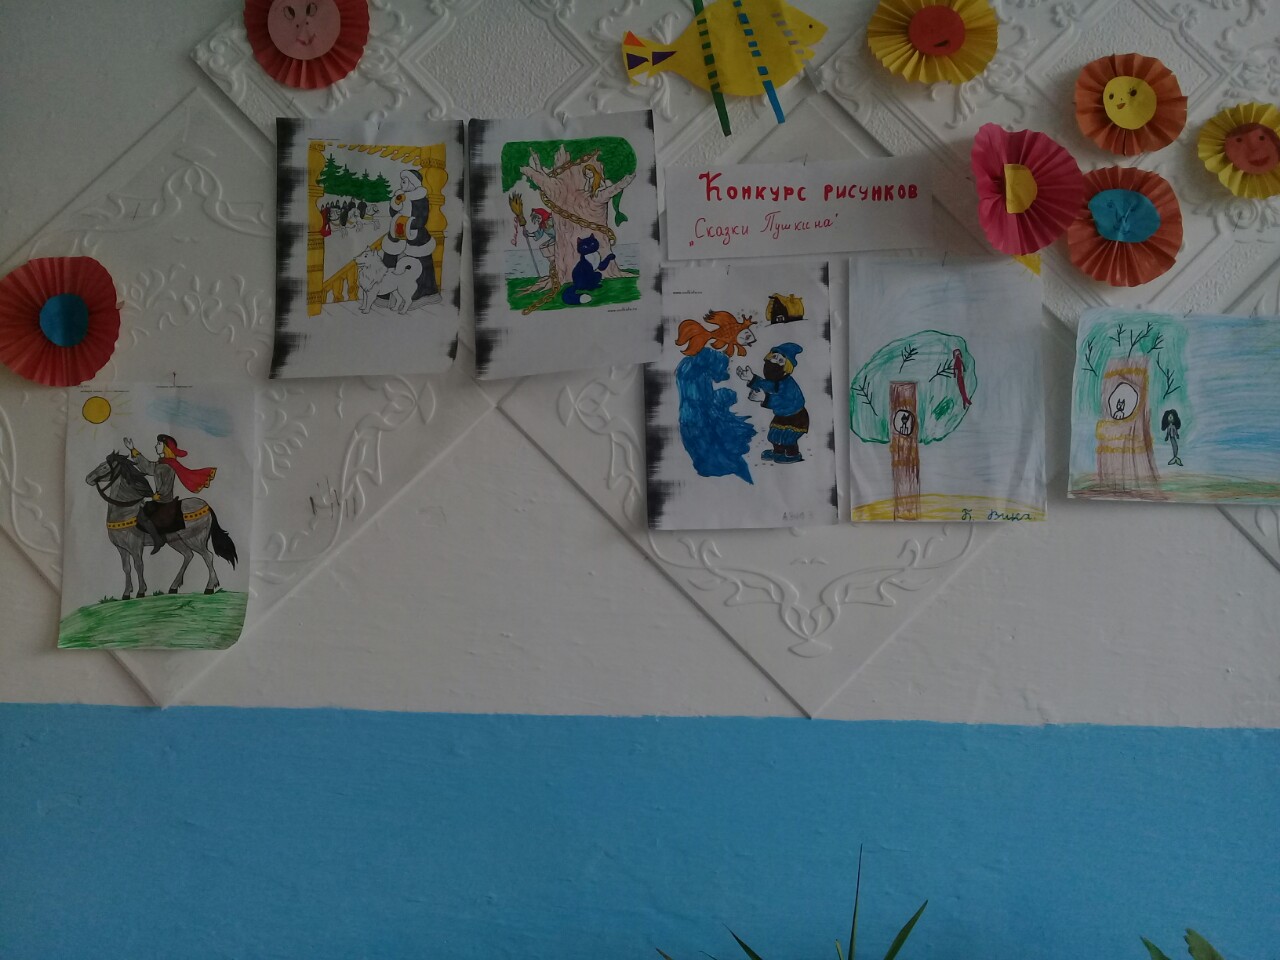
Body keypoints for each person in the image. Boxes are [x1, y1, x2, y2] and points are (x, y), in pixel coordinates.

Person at [124, 434, 217, 554]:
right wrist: (133, 450)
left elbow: (166, 487)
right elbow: (147, 467)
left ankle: (158, 540)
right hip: (159, 500)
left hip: (163, 501)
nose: (156, 446)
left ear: (166, 448)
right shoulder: (162, 463)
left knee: (142, 516)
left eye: (159, 444)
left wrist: (154, 496)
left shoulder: (168, 466)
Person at [736, 342, 809, 464]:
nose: (775, 362)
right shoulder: (778, 381)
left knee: (788, 437)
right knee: (775, 435)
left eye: (780, 361)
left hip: (796, 417)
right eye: (774, 357)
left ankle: (793, 455)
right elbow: (768, 385)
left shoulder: (788, 384)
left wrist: (765, 398)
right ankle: (778, 452)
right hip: (782, 416)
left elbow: (785, 401)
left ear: (786, 367)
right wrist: (751, 378)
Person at [382, 168, 439, 306]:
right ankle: (386, 294)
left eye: (404, 181)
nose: (401, 184)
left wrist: (406, 223)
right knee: (390, 261)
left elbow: (422, 220)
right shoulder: (400, 196)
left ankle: (420, 295)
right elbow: (393, 213)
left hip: (416, 238)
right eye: (401, 181)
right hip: (397, 236)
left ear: (412, 183)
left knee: (419, 265)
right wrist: (396, 205)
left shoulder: (421, 199)